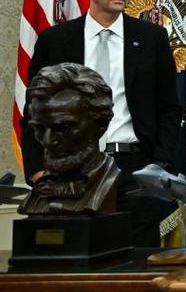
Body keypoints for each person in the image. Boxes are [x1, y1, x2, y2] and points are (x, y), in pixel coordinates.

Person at [20, 0, 179, 246]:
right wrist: (37, 170)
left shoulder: (152, 38)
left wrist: (159, 165)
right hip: (71, 169)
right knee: (73, 258)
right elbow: (34, 111)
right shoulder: (55, 40)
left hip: (136, 170)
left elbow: (169, 108)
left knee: (136, 263)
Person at [20, 63, 119, 215]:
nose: (48, 141)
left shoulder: (109, 183)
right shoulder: (40, 192)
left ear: (101, 125)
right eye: (40, 128)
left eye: (64, 127)